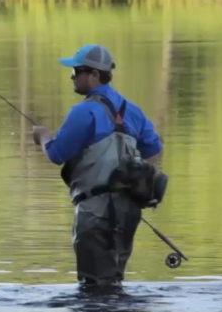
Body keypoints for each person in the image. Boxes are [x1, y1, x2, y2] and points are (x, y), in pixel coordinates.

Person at [32, 45, 163, 287]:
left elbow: (56, 154)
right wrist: (132, 182)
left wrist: (42, 136)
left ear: (94, 75)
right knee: (113, 280)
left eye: (76, 71)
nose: (72, 76)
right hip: (128, 210)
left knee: (93, 285)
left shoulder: (83, 112)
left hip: (94, 210)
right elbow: (154, 151)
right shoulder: (132, 111)